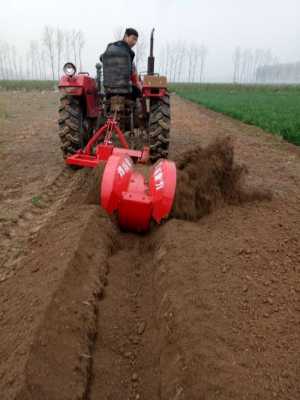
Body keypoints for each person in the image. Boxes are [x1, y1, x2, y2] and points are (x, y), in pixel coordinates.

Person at [101, 28, 142, 95]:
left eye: (136, 40)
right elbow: (132, 73)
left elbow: (101, 58)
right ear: (126, 36)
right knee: (139, 91)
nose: (134, 42)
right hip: (126, 89)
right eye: (133, 39)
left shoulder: (109, 47)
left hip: (108, 90)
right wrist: (139, 85)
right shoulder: (130, 53)